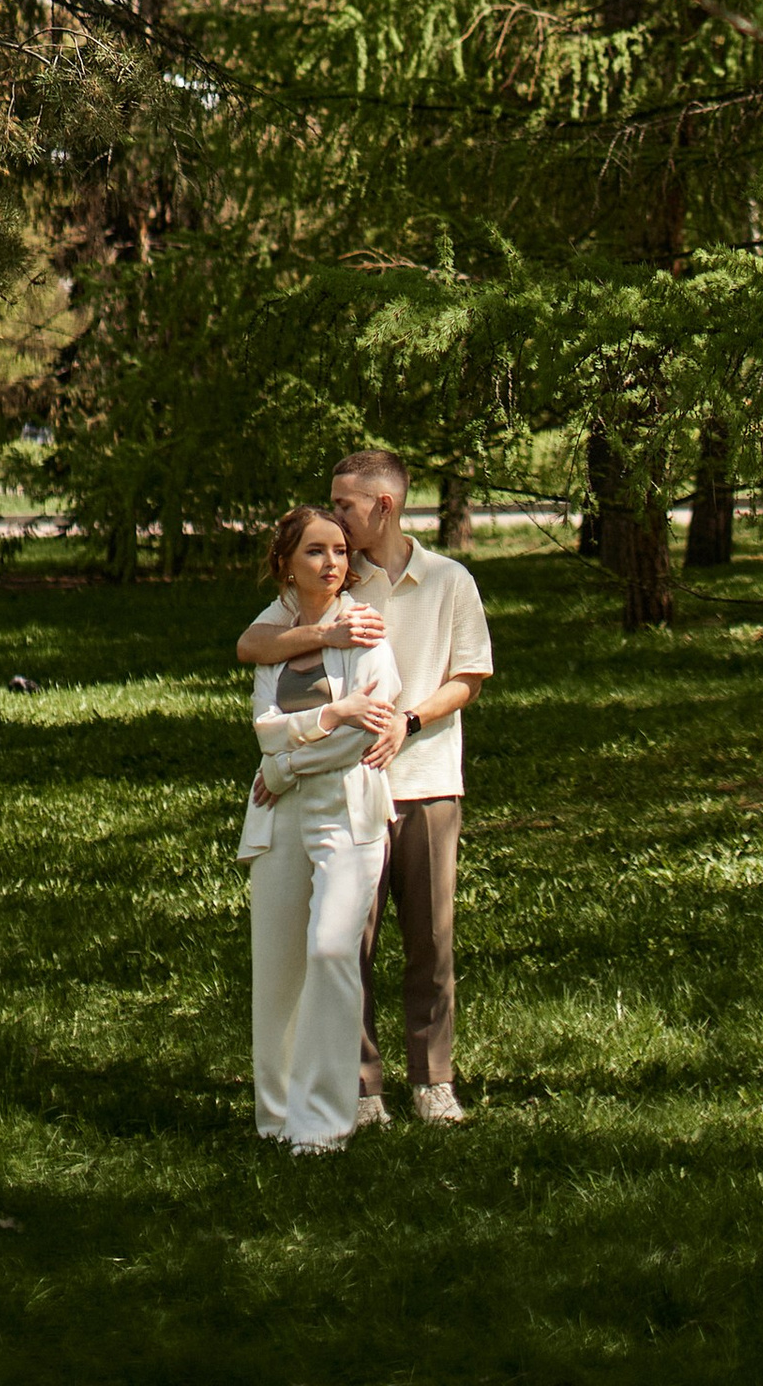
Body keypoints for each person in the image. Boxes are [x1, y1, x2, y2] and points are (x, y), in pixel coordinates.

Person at [236, 444, 493, 1121]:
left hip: (428, 779)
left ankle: (433, 1080)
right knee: (350, 937)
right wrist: (286, 763)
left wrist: (408, 720)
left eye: (345, 504)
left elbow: (467, 678)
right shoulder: (333, 583)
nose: (337, 524)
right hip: (347, 787)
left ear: (383, 505)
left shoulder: (448, 582)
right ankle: (360, 1083)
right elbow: (253, 647)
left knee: (431, 939)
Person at [239, 504, 406, 1151]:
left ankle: (323, 1124)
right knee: (278, 968)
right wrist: (330, 716)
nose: (332, 562)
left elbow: (361, 735)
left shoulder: (366, 631)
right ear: (286, 563)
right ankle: (277, 1117)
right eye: (316, 551)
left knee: (333, 952)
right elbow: (263, 726)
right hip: (278, 816)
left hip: (346, 809)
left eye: (339, 550)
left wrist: (288, 757)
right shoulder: (275, 632)